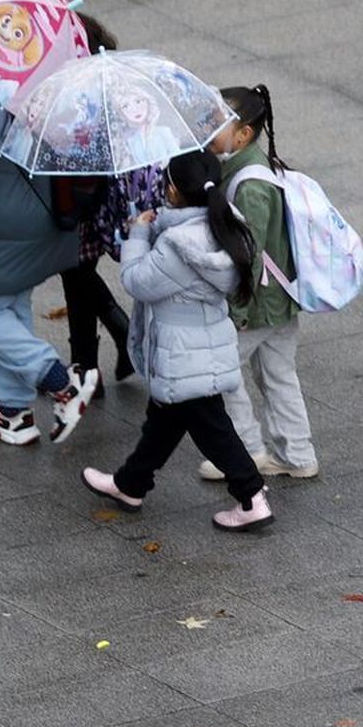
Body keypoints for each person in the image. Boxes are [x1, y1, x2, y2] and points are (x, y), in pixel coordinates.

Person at [81, 150, 275, 532]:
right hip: (203, 343)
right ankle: (130, 484)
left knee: (210, 427)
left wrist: (138, 231)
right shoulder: (224, 224)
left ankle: (252, 497)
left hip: (182, 351)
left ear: (172, 189)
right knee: (164, 420)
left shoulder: (178, 245)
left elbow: (137, 281)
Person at [0, 57, 96, 446]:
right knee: (9, 306)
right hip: (43, 205)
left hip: (2, 214)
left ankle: (60, 381)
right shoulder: (52, 67)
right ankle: (11, 412)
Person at [196, 85, 318, 482]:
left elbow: (249, 253)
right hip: (279, 300)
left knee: (222, 374)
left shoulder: (250, 186)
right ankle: (297, 454)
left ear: (243, 134)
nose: (206, 129)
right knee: (278, 375)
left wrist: (239, 312)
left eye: (215, 123)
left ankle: (245, 453)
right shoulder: (251, 169)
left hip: (258, 304)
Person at [59, 165, 163, 387]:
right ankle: (88, 368)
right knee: (78, 279)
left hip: (78, 203)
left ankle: (86, 370)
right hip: (86, 201)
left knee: (77, 277)